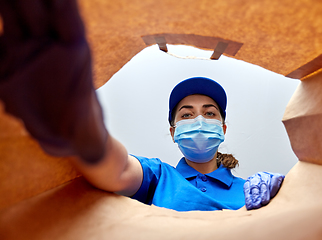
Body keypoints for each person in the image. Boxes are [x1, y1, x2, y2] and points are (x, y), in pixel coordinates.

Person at [0, 0, 284, 211]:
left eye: (209, 113)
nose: (199, 120)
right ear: (173, 132)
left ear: (222, 128)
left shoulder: (250, 189)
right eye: (187, 114)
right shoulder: (159, 176)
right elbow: (118, 169)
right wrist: (79, 125)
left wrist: (285, 194)